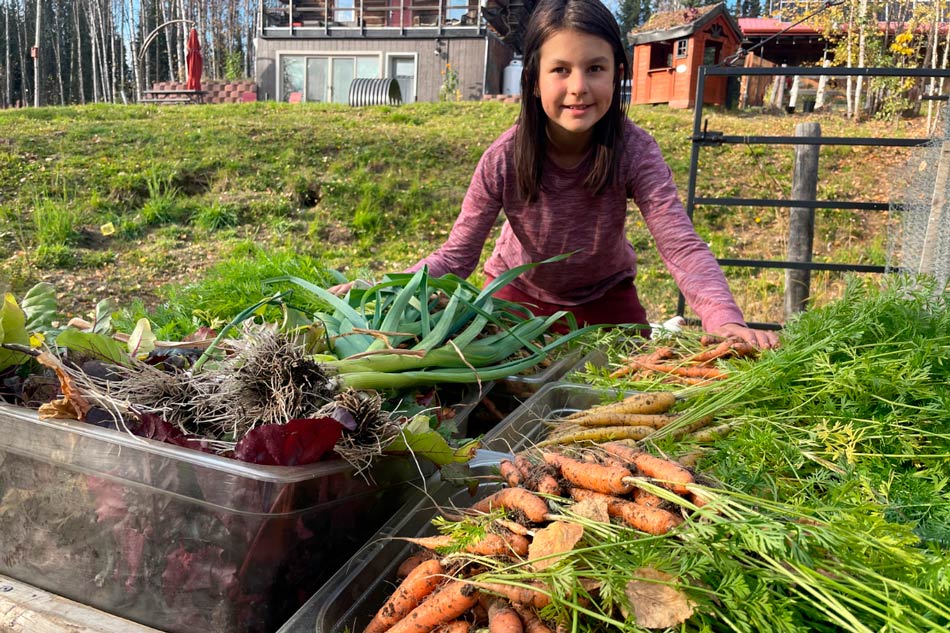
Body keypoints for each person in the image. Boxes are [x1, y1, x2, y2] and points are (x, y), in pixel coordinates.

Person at [332, 0, 778, 349]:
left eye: (595, 68)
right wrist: (384, 290)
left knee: (637, 387)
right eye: (560, 70)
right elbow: (457, 258)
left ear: (617, 74)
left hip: (607, 300)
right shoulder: (503, 158)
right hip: (514, 301)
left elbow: (679, 244)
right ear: (533, 80)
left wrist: (724, 319)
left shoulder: (634, 150)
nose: (579, 86)